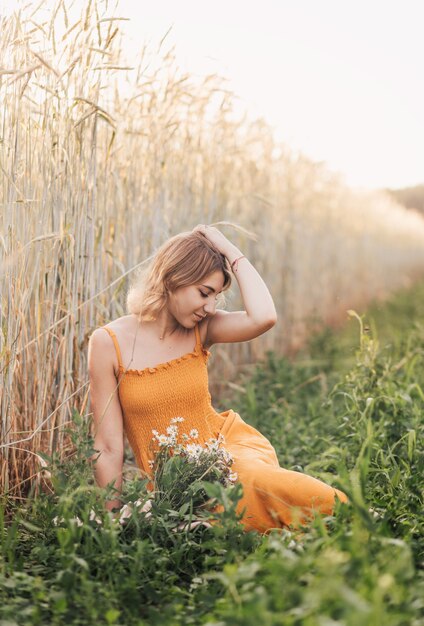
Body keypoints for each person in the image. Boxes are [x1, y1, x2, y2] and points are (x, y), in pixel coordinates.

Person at [88, 223, 348, 534]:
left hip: (225, 451)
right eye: (204, 293)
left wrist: (230, 251)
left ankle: (353, 514)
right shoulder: (107, 343)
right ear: (172, 278)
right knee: (218, 520)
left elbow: (263, 317)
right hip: (174, 482)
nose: (210, 307)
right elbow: (107, 445)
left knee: (253, 483)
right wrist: (111, 521)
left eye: (216, 295)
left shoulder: (202, 328)